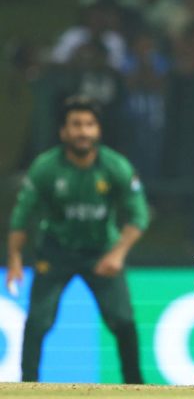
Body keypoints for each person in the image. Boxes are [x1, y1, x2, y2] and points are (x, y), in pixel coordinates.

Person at [5, 95, 149, 383]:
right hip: (55, 251)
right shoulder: (45, 167)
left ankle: (136, 387)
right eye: (76, 125)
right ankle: (27, 387)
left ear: (98, 130)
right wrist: (15, 258)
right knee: (37, 322)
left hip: (101, 252)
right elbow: (23, 216)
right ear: (63, 132)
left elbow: (139, 216)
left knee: (123, 321)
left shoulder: (115, 166)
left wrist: (118, 254)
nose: (83, 131)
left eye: (89, 125)